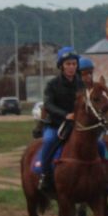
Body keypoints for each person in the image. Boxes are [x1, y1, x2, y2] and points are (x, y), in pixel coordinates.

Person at [30, 47, 83, 192]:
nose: (71, 67)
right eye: (68, 64)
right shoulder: (52, 84)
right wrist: (65, 115)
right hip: (56, 125)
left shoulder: (81, 84)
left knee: (98, 143)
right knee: (49, 141)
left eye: (74, 64)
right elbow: (48, 104)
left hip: (78, 125)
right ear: (61, 66)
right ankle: (45, 175)